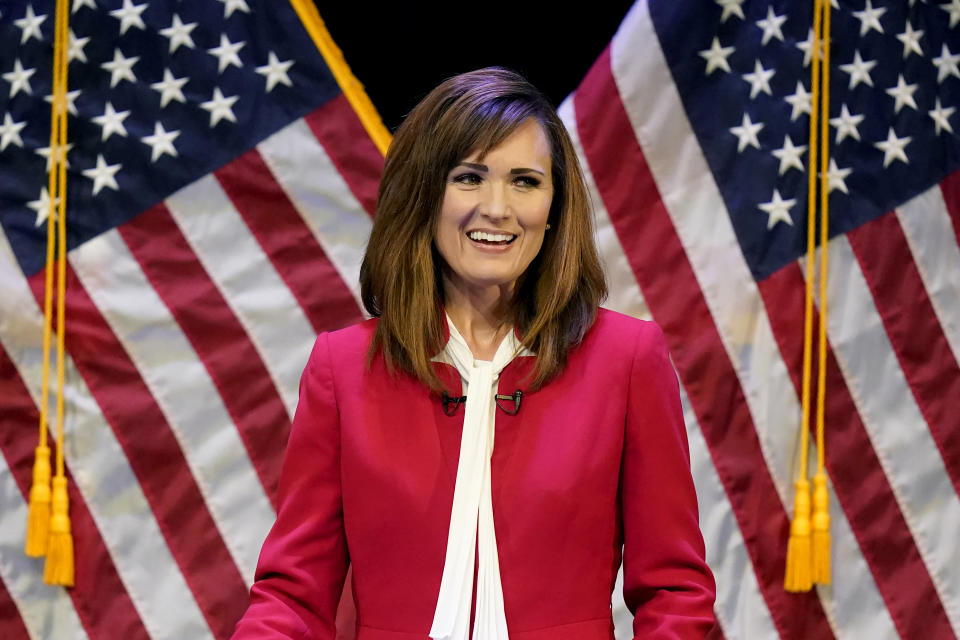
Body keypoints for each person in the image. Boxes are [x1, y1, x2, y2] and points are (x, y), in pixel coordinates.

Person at [231, 67, 716, 640]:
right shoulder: (343, 367)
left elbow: (675, 592)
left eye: (525, 182)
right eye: (469, 177)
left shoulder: (627, 359)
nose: (497, 208)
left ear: (555, 206)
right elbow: (292, 593)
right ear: (424, 195)